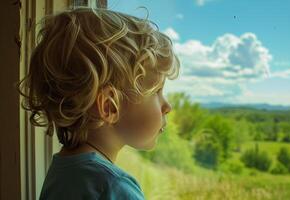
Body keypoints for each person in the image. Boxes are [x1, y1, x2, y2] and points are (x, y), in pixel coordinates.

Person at [16, 6, 180, 199]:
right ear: (109, 106)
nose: (167, 106)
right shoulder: (113, 188)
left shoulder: (63, 173)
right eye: (157, 92)